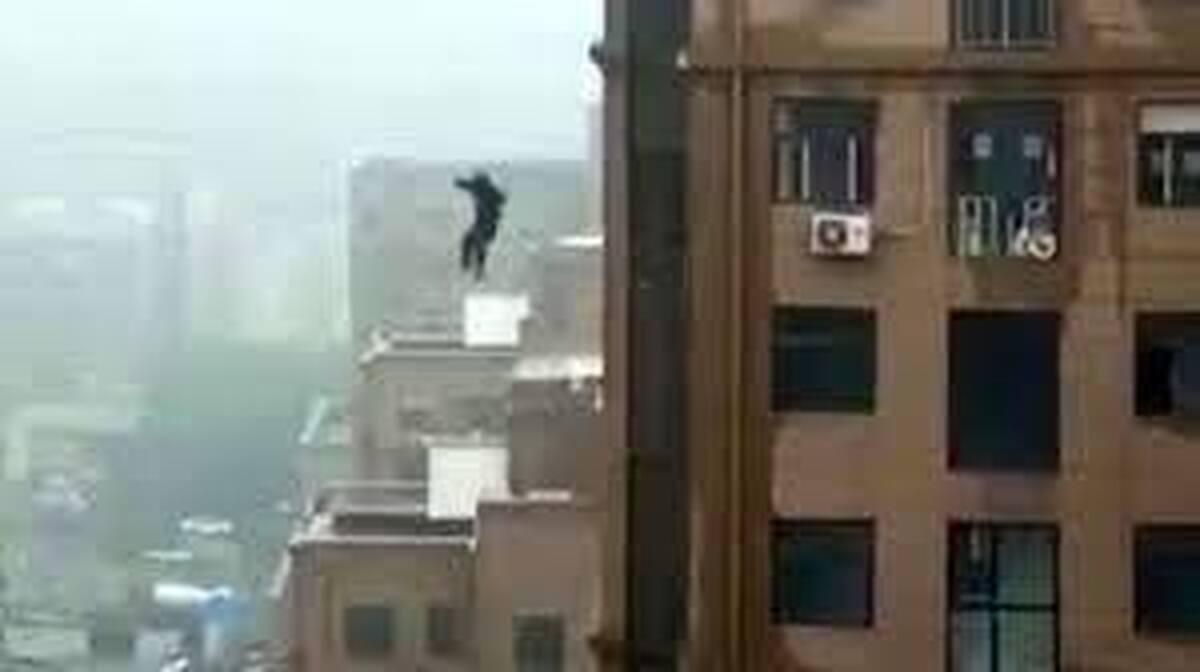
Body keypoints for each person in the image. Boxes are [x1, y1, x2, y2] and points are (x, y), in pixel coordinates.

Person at [455, 171, 507, 281]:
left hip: (490, 225)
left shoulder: (490, 192)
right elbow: (466, 185)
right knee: (467, 240)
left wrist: (501, 197)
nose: (475, 192)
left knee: (480, 244)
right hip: (478, 224)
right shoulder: (476, 188)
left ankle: (479, 270)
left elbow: (501, 199)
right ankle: (466, 265)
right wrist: (458, 182)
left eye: (478, 187)